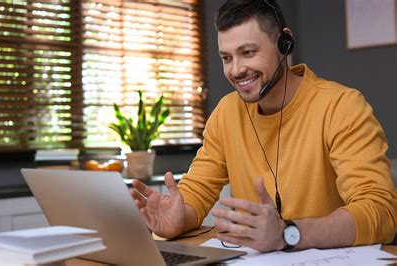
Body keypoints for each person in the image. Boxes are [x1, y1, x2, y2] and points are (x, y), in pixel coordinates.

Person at [130, 0, 396, 252]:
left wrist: (288, 233)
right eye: (226, 58)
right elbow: (198, 188)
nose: (236, 70)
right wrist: (180, 217)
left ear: (284, 42)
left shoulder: (341, 107)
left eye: (248, 52)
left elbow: (380, 212)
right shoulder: (226, 113)